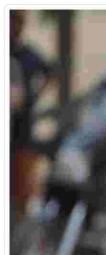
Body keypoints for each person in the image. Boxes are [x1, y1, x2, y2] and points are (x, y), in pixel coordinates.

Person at [10, 10, 55, 219]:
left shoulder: (28, 54)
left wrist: (34, 96)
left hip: (22, 127)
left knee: (22, 184)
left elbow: (50, 74)